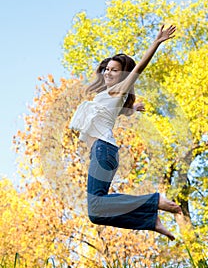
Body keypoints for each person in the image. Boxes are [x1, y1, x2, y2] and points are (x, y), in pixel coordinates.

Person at [69, 24, 182, 240]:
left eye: (114, 70)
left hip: (104, 150)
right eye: (107, 69)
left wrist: (156, 42)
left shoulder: (119, 89)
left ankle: (154, 201)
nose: (108, 72)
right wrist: (132, 109)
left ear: (123, 76)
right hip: (102, 152)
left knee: (96, 204)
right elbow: (112, 114)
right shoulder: (108, 97)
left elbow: (139, 68)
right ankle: (149, 219)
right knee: (96, 212)